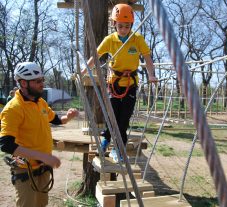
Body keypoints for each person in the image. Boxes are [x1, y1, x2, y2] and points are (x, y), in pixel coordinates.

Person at [81, 4, 158, 163]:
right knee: (112, 115)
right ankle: (106, 139)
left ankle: (119, 148)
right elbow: (96, 56)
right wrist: (82, 71)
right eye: (120, 26)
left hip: (131, 83)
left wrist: (151, 74)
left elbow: (148, 58)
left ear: (132, 25)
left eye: (127, 26)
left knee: (124, 118)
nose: (124, 29)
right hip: (114, 83)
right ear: (114, 24)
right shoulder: (110, 40)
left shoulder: (137, 39)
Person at [0, 62, 79, 207]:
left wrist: (68, 117)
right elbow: (6, 144)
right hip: (25, 169)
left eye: (42, 80)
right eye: (37, 81)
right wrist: (44, 156)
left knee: (42, 204)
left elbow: (55, 119)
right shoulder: (13, 108)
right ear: (23, 83)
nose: (42, 84)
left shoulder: (40, 102)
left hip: (43, 167)